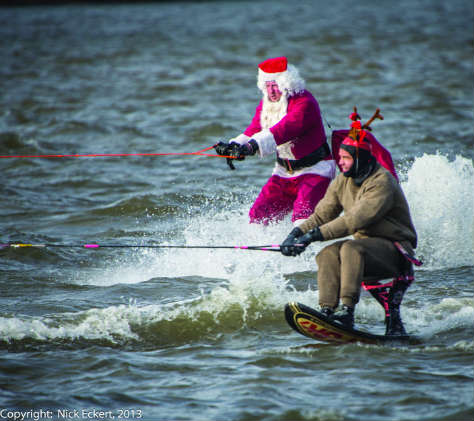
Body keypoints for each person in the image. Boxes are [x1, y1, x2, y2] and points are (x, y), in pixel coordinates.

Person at [280, 110, 418, 333]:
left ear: (360, 159)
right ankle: (326, 311)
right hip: (366, 248)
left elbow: (354, 220)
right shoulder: (342, 180)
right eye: (339, 157)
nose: (340, 163)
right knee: (326, 254)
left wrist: (312, 236)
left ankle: (347, 311)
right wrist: (295, 234)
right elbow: (321, 215)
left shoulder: (382, 182)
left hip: (396, 251)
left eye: (345, 158)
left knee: (350, 249)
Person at [215, 56, 335, 226]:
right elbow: (255, 129)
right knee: (257, 217)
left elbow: (282, 131)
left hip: (315, 171)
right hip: (284, 172)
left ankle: (309, 250)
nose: (271, 91)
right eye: (268, 86)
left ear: (287, 84)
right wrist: (234, 145)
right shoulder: (268, 104)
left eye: (275, 85)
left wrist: (251, 147)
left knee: (302, 219)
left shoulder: (304, 103)